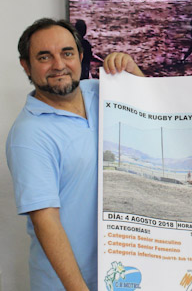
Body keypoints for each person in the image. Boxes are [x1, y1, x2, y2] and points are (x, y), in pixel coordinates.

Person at [6, 18, 144, 291]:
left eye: (66, 53)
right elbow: (46, 221)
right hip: (71, 284)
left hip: (122, 276)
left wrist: (134, 74)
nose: (58, 65)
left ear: (80, 56)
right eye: (44, 56)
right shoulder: (28, 135)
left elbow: (160, 118)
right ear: (26, 65)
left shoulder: (102, 93)